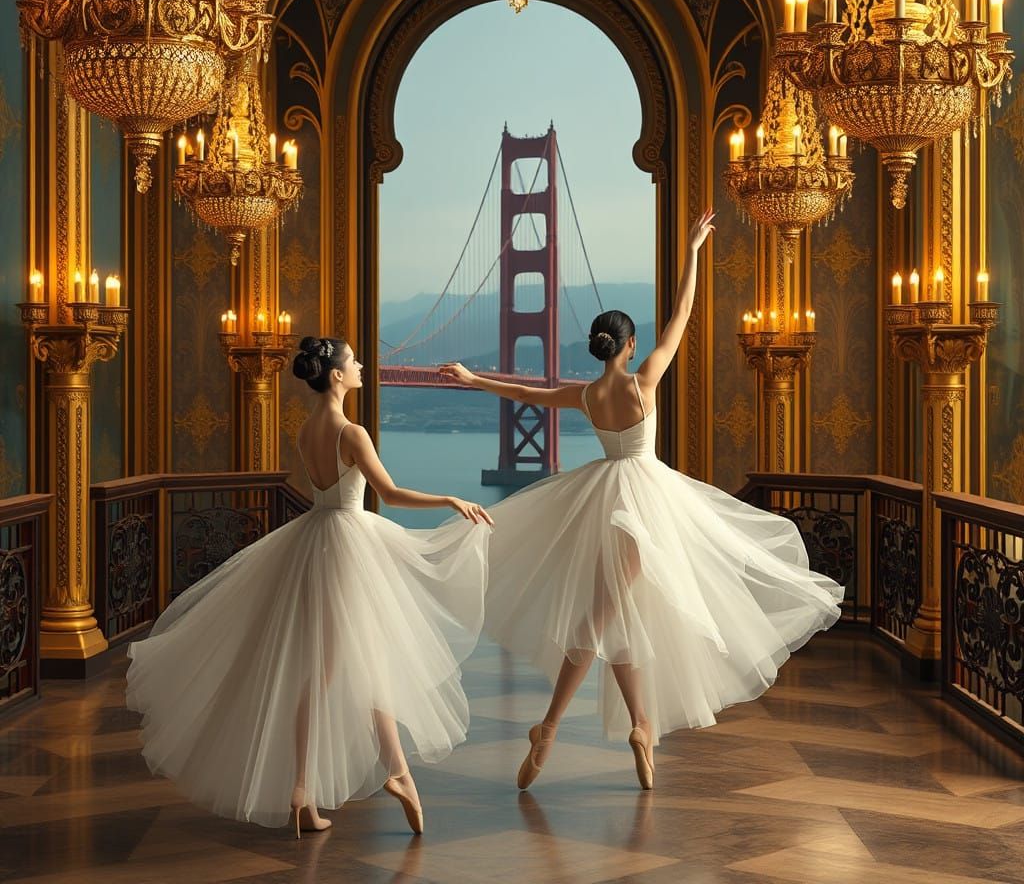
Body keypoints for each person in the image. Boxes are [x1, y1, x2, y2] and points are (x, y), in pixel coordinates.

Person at [439, 209, 842, 792]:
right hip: (646, 500)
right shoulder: (643, 380)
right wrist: (694, 251)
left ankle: (628, 724)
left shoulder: (585, 394)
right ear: (630, 345)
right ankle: (565, 727)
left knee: (611, 616)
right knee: (602, 618)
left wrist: (474, 380)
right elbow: (681, 315)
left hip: (602, 498)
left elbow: (526, 392)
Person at [127, 336, 492, 837]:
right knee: (353, 666)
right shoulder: (352, 432)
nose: (361, 365)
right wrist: (450, 499)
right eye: (354, 361)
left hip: (313, 540)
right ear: (337, 375)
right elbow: (388, 494)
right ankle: (384, 774)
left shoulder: (305, 430)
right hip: (349, 546)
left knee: (332, 671)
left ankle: (323, 785)